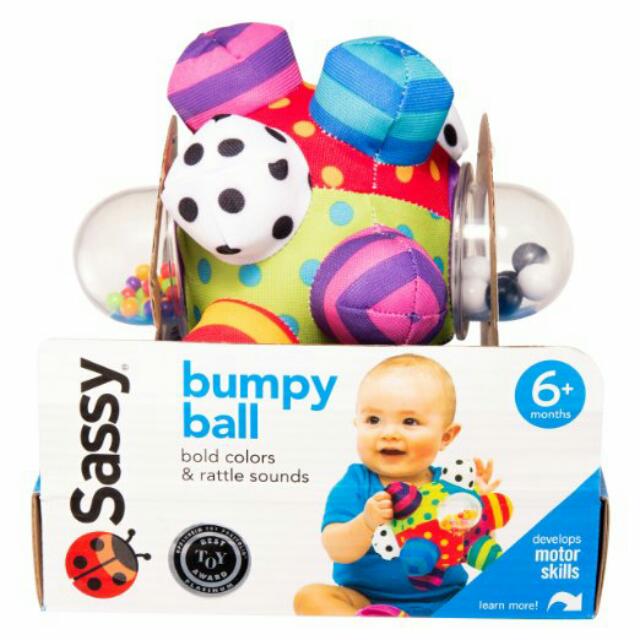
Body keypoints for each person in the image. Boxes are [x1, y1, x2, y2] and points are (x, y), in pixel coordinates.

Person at [294, 354, 498, 617]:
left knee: (501, 593)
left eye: (409, 422)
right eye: (373, 420)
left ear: (446, 437)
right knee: (310, 597)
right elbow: (337, 550)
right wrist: (366, 522)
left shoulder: (452, 489)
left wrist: (481, 510)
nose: (389, 433)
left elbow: (481, 553)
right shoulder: (356, 483)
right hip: (367, 602)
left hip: (448, 602)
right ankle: (379, 626)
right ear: (357, 425)